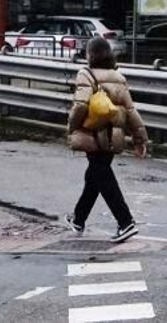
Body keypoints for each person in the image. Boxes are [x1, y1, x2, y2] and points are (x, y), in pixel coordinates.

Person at [63, 36, 149, 243]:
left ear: (90, 55)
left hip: (93, 133)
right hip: (113, 136)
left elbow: (80, 105)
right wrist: (140, 139)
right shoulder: (119, 77)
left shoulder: (86, 74)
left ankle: (125, 221)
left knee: (101, 174)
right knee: (95, 175)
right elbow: (130, 111)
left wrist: (71, 126)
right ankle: (79, 219)